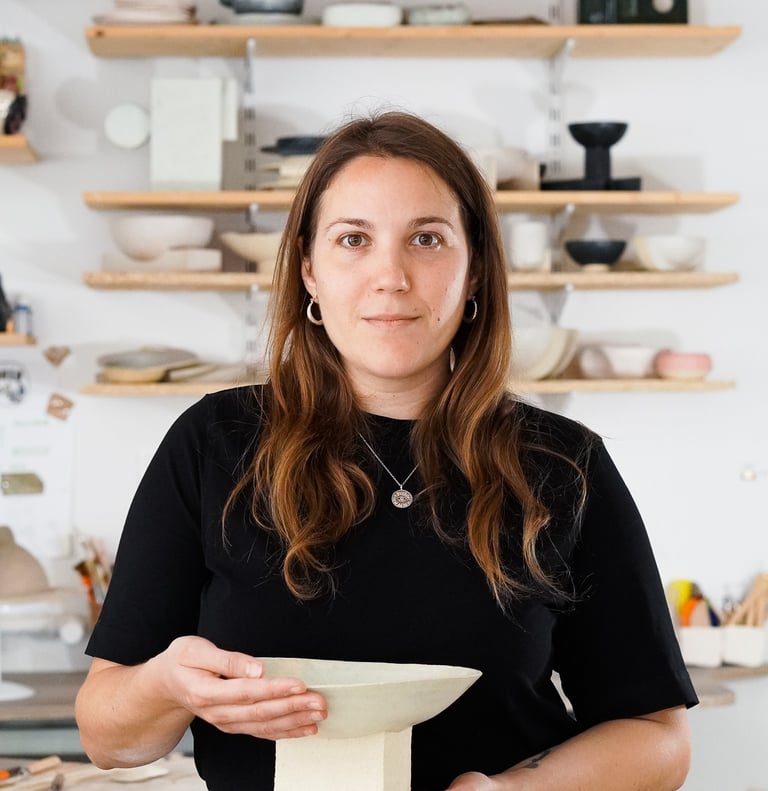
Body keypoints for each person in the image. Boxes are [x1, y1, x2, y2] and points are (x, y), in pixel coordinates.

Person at [75, 111, 697, 791]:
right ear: (309, 270)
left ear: (475, 269)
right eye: (353, 239)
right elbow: (108, 740)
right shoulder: (213, 441)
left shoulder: (562, 464)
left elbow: (658, 739)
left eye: (426, 239)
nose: (391, 276)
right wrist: (167, 686)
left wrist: (509, 790)